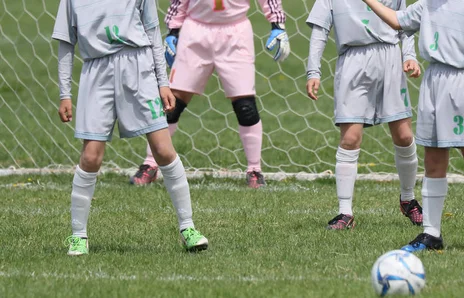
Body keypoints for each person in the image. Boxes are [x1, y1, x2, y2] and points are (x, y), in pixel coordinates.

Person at [53, 0, 208, 256]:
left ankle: (188, 228)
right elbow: (65, 43)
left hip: (138, 68)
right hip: (96, 71)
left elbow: (152, 32)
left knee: (162, 149)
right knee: (91, 156)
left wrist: (163, 82)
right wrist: (64, 94)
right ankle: (78, 236)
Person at [362, 0, 464, 251]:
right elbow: (398, 20)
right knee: (433, 160)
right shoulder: (426, 5)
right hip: (433, 84)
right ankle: (431, 233)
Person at [129, 0, 291, 189]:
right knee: (172, 103)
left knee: (245, 105)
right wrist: (173, 31)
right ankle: (151, 163)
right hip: (195, 33)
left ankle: (254, 170)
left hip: (236, 34)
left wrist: (277, 25)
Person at [306, 0, 424, 230]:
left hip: (390, 58)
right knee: (350, 138)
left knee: (404, 135)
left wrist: (410, 56)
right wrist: (313, 71)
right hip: (353, 61)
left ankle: (408, 199)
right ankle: (345, 212)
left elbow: (404, 21)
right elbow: (320, 30)